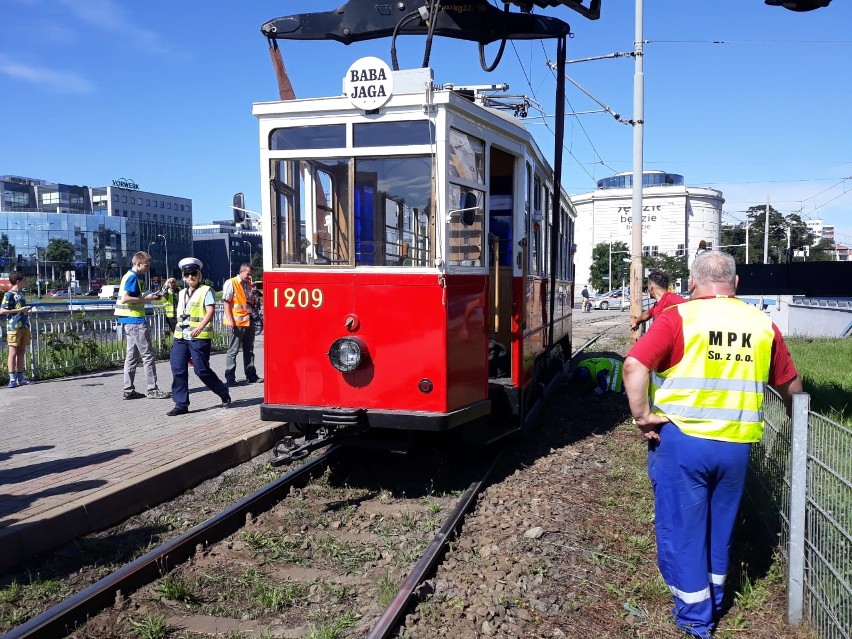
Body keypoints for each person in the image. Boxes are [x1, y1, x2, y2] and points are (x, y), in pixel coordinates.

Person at [622, 251, 802, 638]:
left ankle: (695, 617)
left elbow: (634, 365)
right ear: (736, 284)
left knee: (683, 526)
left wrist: (642, 416)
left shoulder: (678, 317)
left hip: (683, 442)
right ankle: (716, 599)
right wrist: (796, 420)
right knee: (719, 528)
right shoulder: (761, 323)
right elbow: (791, 385)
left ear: (690, 283)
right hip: (736, 445)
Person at [167, 257, 231, 416]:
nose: (190, 277)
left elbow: (210, 311)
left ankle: (222, 392)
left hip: (199, 336)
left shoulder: (206, 290)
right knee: (178, 368)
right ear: (183, 276)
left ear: (199, 274)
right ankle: (181, 404)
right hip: (181, 336)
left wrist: (200, 327)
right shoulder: (181, 293)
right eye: (187, 274)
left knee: (201, 370)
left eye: (193, 273)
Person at [115, 251, 170, 400]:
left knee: (131, 357)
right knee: (148, 356)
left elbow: (133, 297)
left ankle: (128, 390)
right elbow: (127, 299)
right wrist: (145, 300)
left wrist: (152, 295)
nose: (148, 268)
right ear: (138, 264)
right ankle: (152, 389)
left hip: (128, 321)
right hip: (136, 322)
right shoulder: (133, 277)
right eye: (146, 265)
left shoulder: (128, 276)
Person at [222, 262, 261, 385]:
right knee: (233, 351)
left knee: (249, 350)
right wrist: (230, 320)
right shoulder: (231, 283)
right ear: (242, 271)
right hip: (236, 322)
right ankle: (230, 377)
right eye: (248, 274)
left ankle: (251, 375)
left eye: (251, 275)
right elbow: (226, 303)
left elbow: (249, 303)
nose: (250, 277)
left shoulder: (248, 284)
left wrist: (255, 293)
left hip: (248, 321)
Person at [1, 271, 34, 388]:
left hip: (24, 326)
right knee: (13, 352)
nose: (26, 282)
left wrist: (25, 310)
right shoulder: (9, 294)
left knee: (21, 352)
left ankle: (21, 377)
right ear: (18, 281)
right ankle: (12, 379)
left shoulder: (21, 293)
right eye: (24, 280)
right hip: (13, 327)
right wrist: (19, 311)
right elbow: (2, 310)